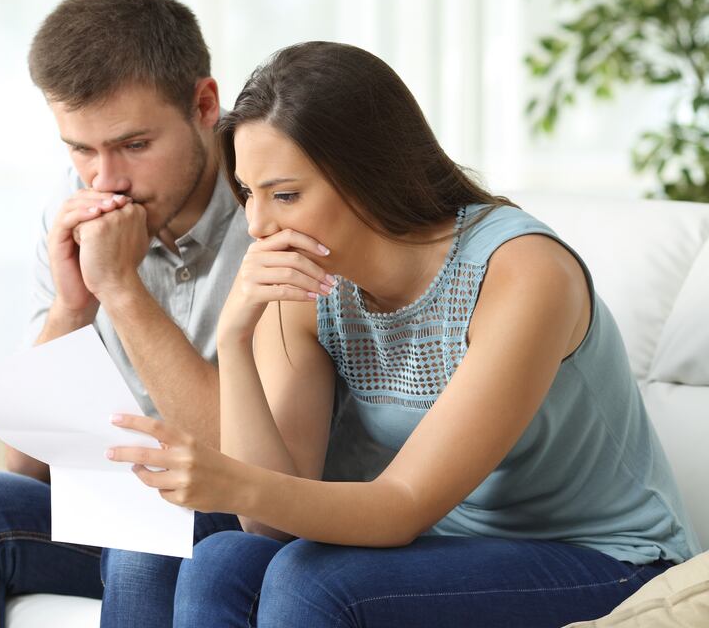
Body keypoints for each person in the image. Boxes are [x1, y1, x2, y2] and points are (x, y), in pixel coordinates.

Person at [105, 41, 702, 627]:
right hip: (448, 548)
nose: (259, 225)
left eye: (285, 195)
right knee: (207, 554)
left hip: (606, 559)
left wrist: (228, 478)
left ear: (369, 174)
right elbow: (270, 521)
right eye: (248, 194)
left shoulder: (522, 271)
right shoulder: (310, 281)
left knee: (310, 583)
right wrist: (236, 338)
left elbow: (402, 506)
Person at [0, 0, 252, 628]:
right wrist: (72, 306)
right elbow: (25, 469)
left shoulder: (276, 198)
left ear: (204, 104)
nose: (105, 180)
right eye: (81, 149)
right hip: (116, 508)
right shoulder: (72, 203)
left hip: (234, 507)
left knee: (149, 543)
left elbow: (242, 461)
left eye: (135, 145)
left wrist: (122, 289)